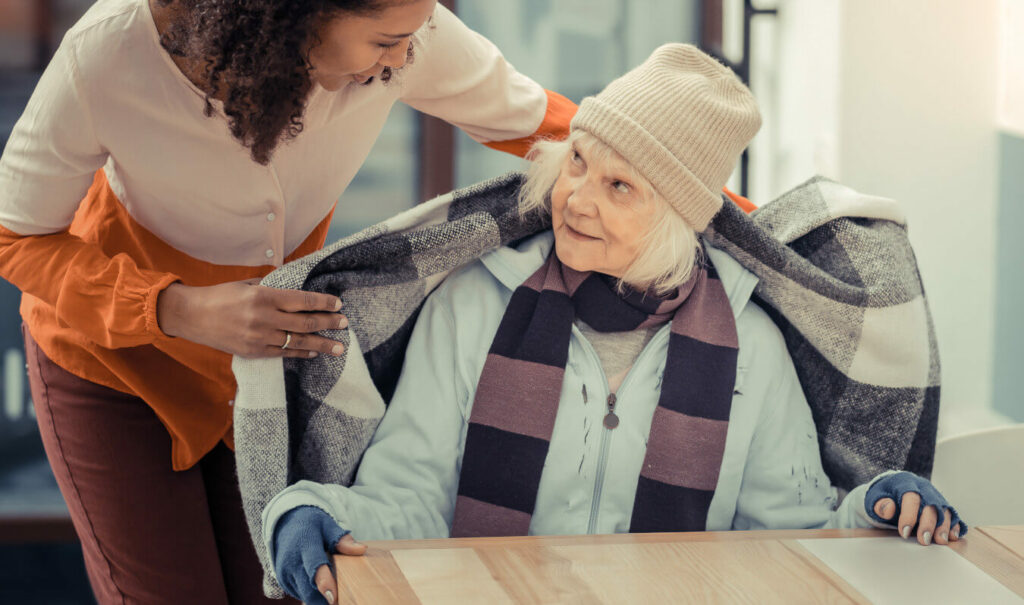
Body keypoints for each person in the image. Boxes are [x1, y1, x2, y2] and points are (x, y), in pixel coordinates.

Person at [262, 44, 966, 605]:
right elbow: (409, 497)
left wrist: (877, 510)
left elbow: (786, 534)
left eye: (619, 185)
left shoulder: (752, 345)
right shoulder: (472, 305)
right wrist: (310, 508)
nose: (575, 199)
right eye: (577, 161)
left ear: (676, 218)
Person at [0, 0, 578, 602]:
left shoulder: (407, 29)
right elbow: (14, 234)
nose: (406, 58)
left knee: (272, 589)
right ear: (294, 15)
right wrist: (183, 309)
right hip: (114, 366)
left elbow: (559, 130)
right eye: (385, 43)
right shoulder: (110, 52)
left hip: (257, 374)